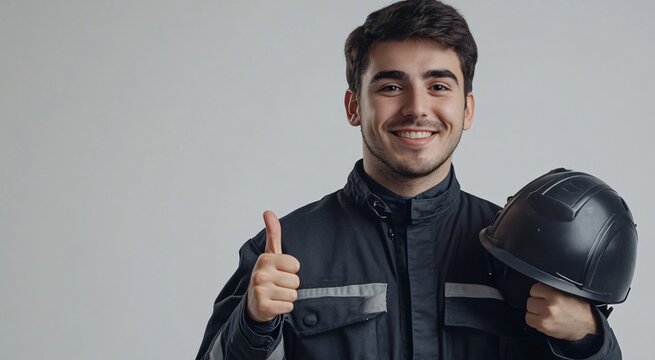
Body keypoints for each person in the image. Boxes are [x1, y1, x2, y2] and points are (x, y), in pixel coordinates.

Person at [196, 1, 621, 359]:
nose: (417, 108)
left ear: (467, 109)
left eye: (438, 85)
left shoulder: (524, 249)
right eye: (391, 87)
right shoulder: (284, 252)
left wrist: (587, 341)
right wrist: (252, 324)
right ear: (353, 107)